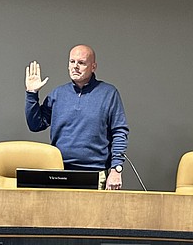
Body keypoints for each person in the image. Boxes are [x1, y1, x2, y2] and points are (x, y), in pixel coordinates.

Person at [24, 45, 129, 190]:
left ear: (93, 67)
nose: (75, 67)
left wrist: (116, 169)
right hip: (59, 172)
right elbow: (35, 125)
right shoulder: (58, 94)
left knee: (93, 213)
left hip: (95, 174)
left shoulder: (108, 93)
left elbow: (119, 132)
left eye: (81, 63)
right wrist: (31, 93)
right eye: (72, 62)